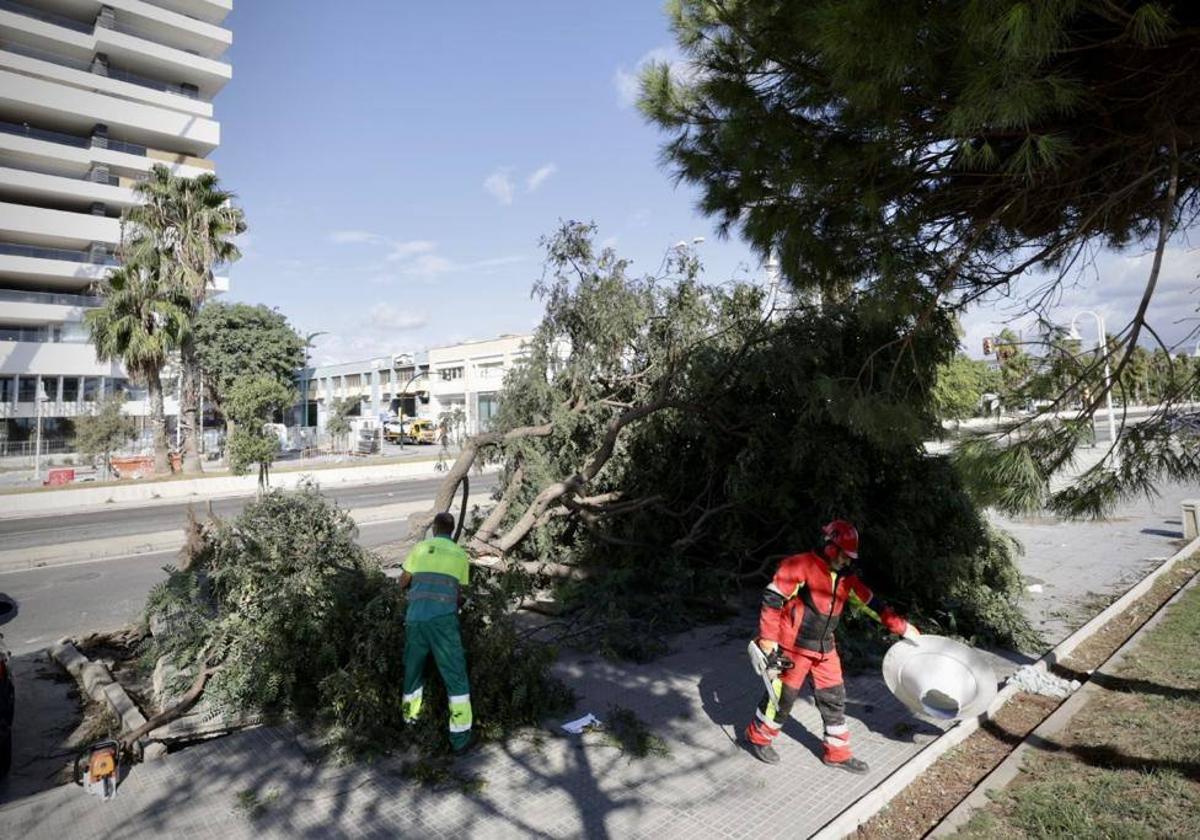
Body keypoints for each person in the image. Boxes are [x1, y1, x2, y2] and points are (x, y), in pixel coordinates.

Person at [744, 519, 920, 772]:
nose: (848, 561)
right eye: (845, 555)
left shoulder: (847, 579)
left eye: (851, 557)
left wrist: (903, 628)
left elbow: (872, 605)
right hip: (793, 647)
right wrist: (769, 642)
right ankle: (757, 738)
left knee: (834, 699)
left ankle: (837, 753)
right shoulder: (800, 565)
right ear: (830, 546)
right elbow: (773, 601)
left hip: (825, 648)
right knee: (781, 698)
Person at [398, 511, 474, 753]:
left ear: (434, 529)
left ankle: (411, 723)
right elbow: (460, 592)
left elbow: (402, 581)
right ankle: (460, 738)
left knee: (413, 670)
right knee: (455, 675)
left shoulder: (421, 549)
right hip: (443, 622)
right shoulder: (460, 555)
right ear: (451, 531)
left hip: (416, 619)